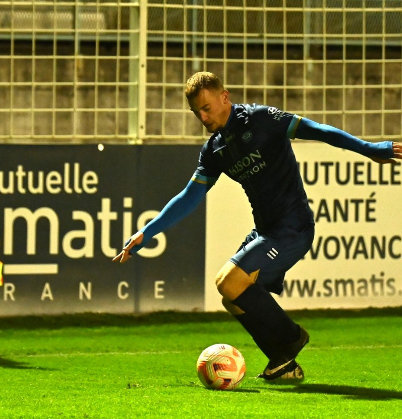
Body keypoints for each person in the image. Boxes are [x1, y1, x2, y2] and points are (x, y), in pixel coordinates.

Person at [113, 71, 401, 380]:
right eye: (196, 111)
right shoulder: (215, 150)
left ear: (225, 97)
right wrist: (148, 232)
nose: (202, 115)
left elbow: (318, 130)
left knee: (228, 282)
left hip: (293, 227)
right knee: (231, 298)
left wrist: (370, 148)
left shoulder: (261, 118)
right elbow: (189, 197)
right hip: (267, 231)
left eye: (207, 107)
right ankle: (282, 362)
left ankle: (291, 338)